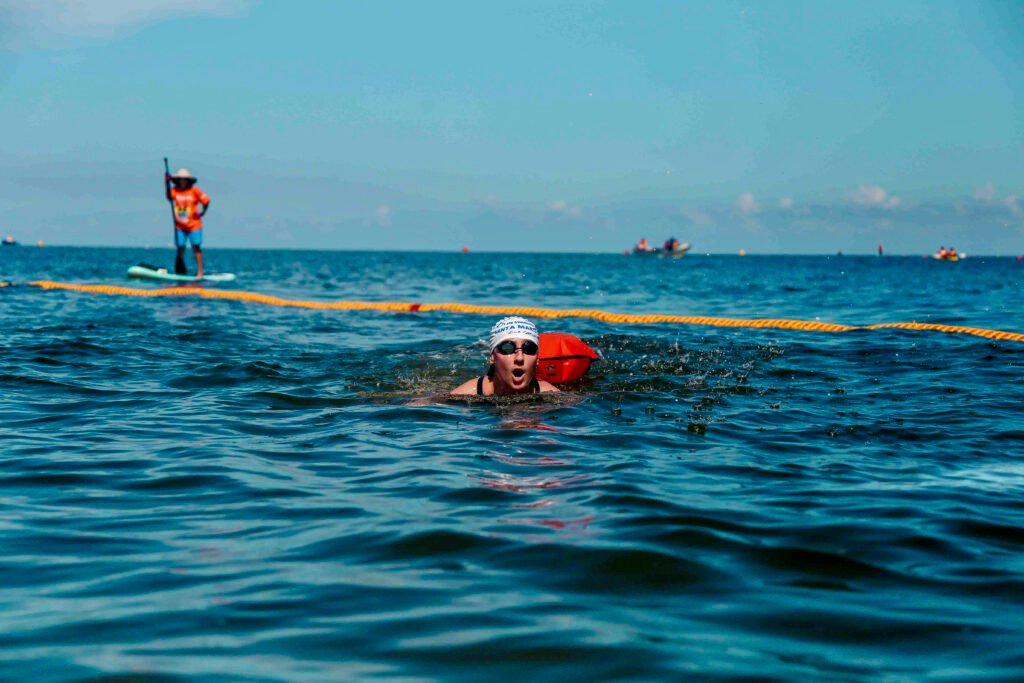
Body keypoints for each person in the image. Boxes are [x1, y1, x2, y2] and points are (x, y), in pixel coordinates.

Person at [452, 317, 560, 396]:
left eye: (529, 349)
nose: (519, 358)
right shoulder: (463, 395)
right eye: (508, 348)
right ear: (492, 357)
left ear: (537, 360)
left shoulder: (552, 396)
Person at [165, 168, 210, 277]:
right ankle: (180, 270)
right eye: (180, 179)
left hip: (194, 225)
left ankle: (200, 272)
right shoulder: (175, 190)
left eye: (185, 179)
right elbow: (169, 197)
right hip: (180, 226)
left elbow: (206, 200)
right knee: (180, 248)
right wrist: (166, 183)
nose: (182, 181)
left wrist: (203, 212)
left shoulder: (195, 191)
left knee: (196, 248)